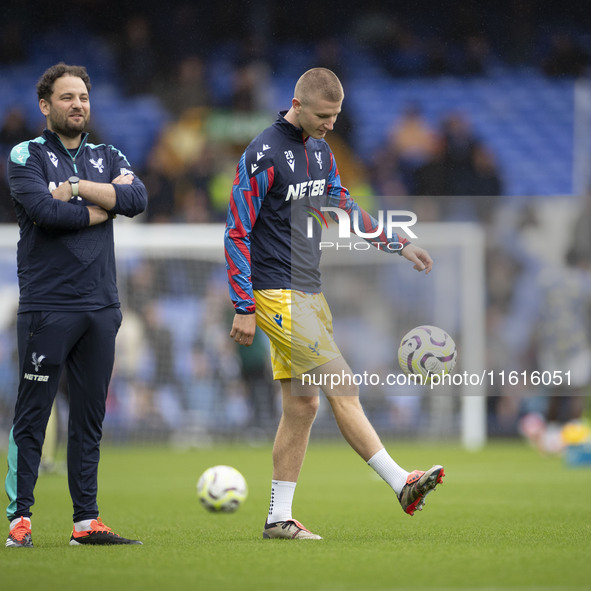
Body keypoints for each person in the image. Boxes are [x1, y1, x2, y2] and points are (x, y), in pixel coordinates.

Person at [224, 68, 444, 540]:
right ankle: (400, 481)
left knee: (303, 406)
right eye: (324, 116)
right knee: (342, 382)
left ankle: (278, 518)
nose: (331, 125)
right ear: (297, 105)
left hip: (309, 288)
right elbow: (236, 230)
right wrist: (243, 303)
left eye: (337, 116)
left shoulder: (322, 151)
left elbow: (342, 204)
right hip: (274, 291)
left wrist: (396, 243)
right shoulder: (263, 154)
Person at [4, 63, 147, 548]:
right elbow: (43, 213)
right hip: (48, 307)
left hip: (102, 306)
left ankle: (86, 522)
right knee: (33, 414)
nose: (78, 105)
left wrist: (80, 191)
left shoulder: (107, 154)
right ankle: (19, 520)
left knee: (90, 418)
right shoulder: (27, 154)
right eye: (67, 98)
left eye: (83, 97)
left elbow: (137, 198)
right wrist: (102, 208)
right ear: (46, 106)